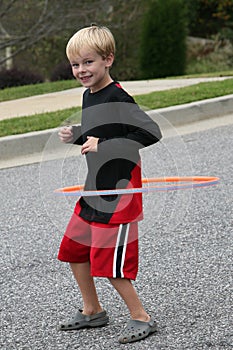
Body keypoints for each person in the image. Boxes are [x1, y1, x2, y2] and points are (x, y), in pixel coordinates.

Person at [57, 25, 162, 344]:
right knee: (73, 250)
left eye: (88, 62)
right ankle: (93, 310)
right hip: (94, 188)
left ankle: (141, 317)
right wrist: (76, 135)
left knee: (110, 263)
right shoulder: (89, 94)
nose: (81, 70)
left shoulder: (118, 95)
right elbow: (99, 132)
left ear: (108, 60)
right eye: (75, 64)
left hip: (119, 193)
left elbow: (150, 133)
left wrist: (104, 145)